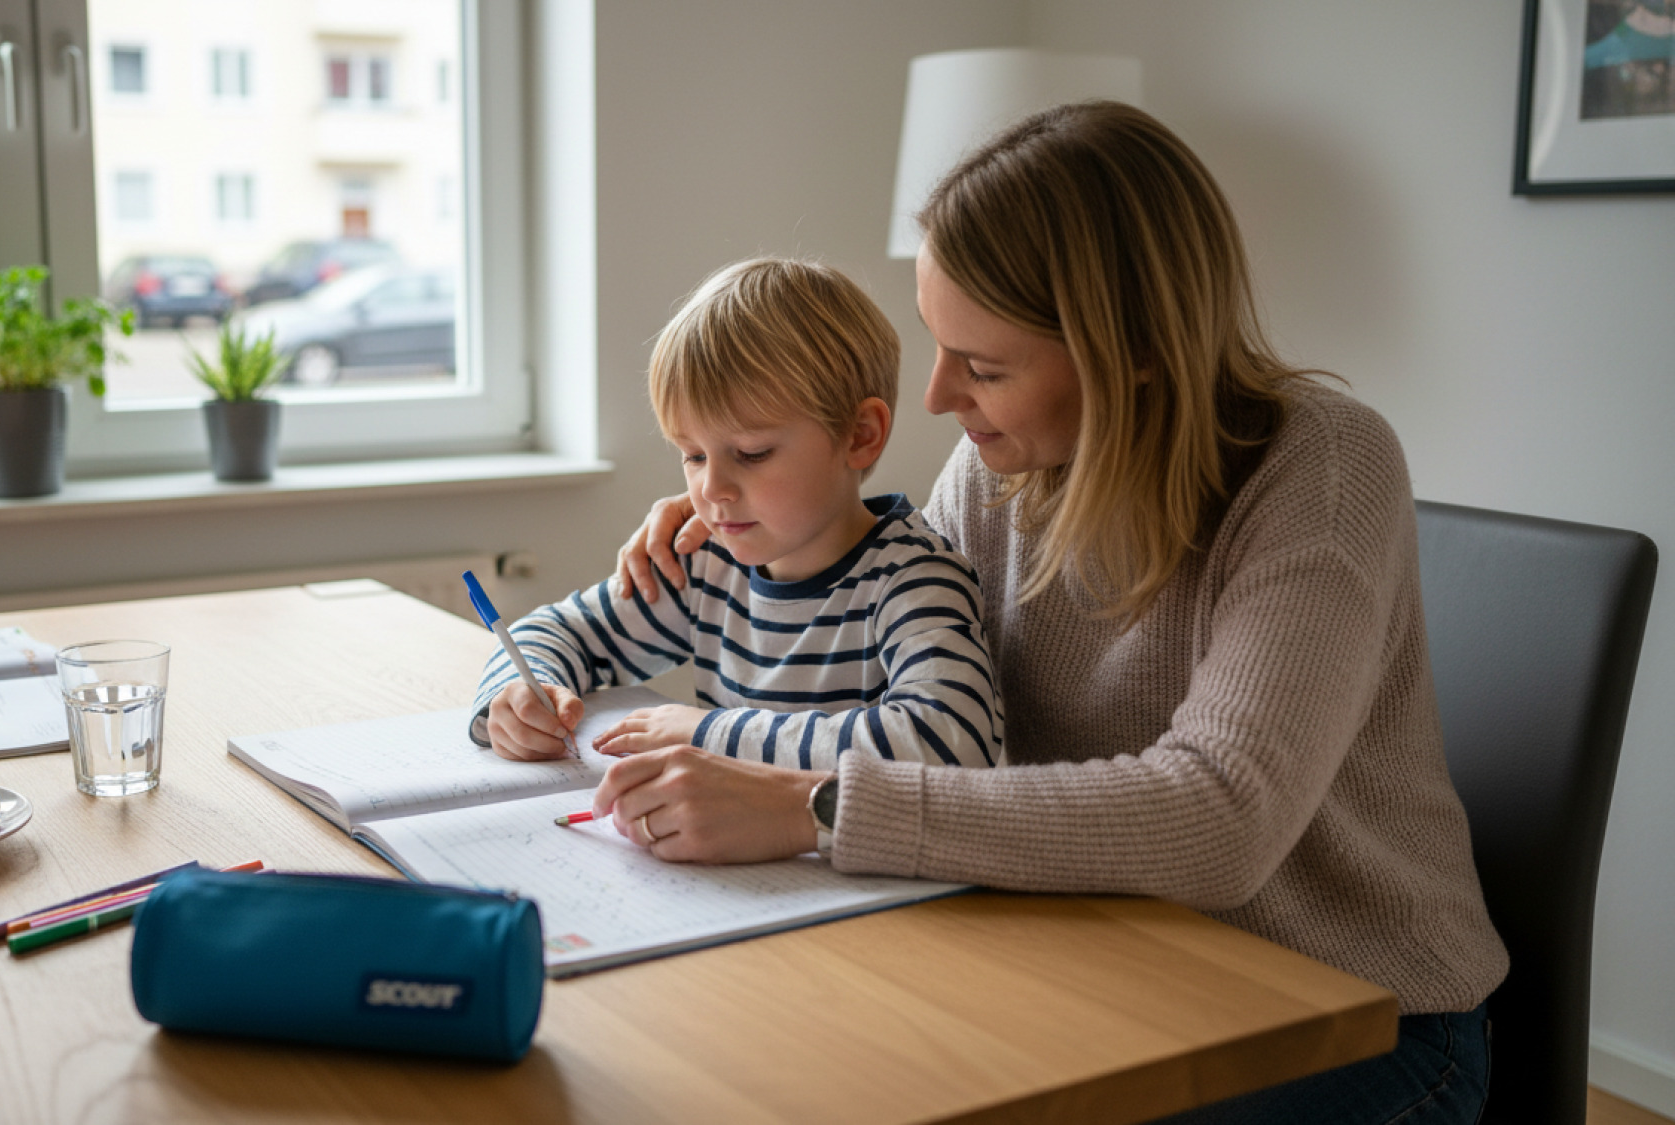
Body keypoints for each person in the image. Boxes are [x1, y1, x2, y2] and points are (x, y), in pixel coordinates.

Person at [598, 103, 1506, 1124]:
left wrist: (811, 806)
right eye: (939, 347)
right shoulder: (1001, 469)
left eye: (981, 367)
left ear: (1132, 352)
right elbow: (885, 655)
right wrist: (744, 524)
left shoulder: (1319, 467)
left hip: (1351, 1012)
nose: (938, 396)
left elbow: (1219, 820)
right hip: (1098, 950)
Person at [472, 257, 1002, 776]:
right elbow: (558, 632)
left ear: (859, 435)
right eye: (693, 455)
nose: (712, 489)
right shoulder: (706, 563)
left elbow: (950, 739)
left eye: (751, 454)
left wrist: (707, 733)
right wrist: (518, 694)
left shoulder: (913, 580)